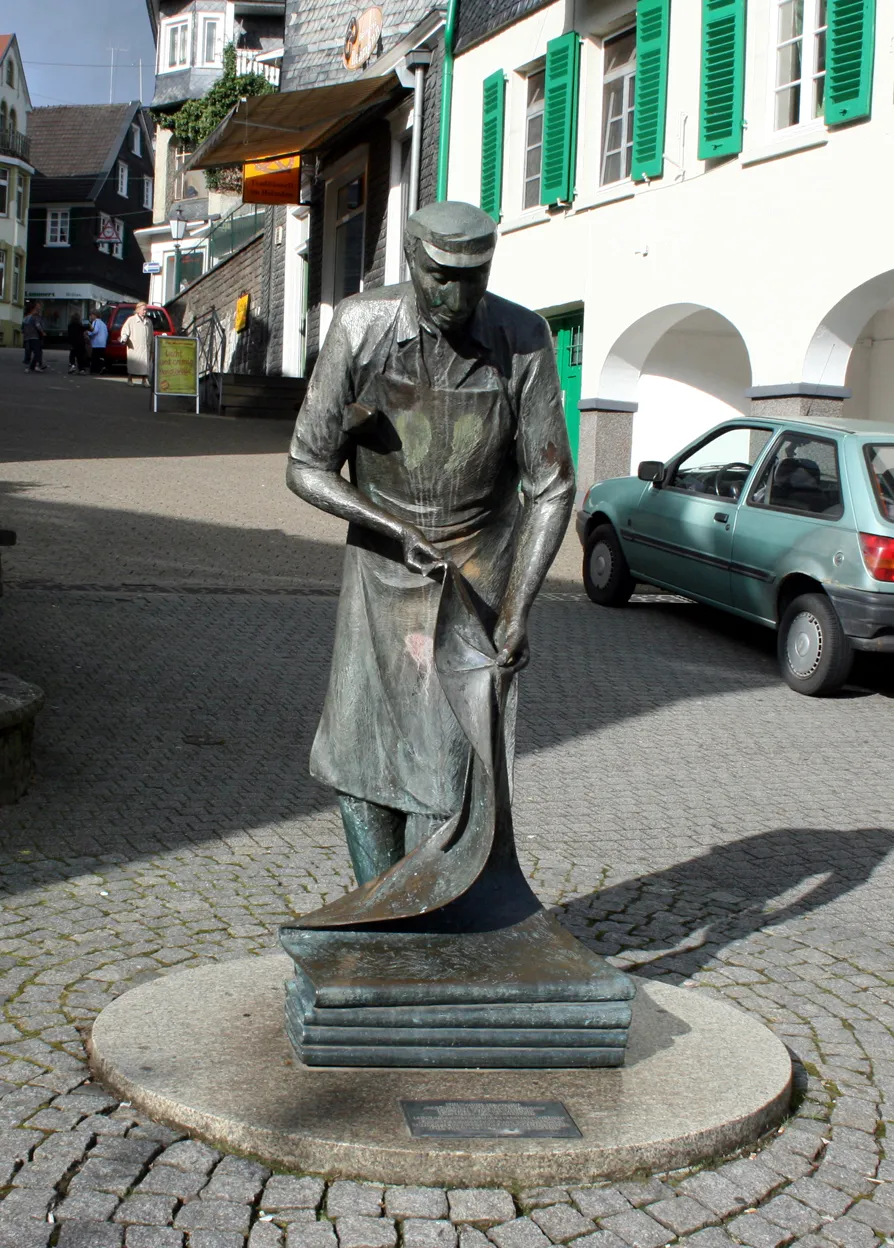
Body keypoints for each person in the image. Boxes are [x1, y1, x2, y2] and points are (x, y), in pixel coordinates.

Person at [286, 201, 574, 886]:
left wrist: (518, 609)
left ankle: (429, 914)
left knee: (448, 767)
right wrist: (393, 529)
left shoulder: (523, 340)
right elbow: (305, 463)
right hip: (382, 564)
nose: (456, 295)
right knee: (359, 754)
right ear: (412, 261)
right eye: (441, 276)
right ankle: (378, 910)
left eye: (472, 279)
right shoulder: (362, 326)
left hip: (477, 572)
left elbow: (554, 485)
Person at [119, 303, 154, 387]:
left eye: (146, 310)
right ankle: (130, 378)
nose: (145, 311)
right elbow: (125, 330)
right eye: (143, 309)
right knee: (133, 364)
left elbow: (151, 335)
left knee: (145, 364)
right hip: (134, 347)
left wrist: (152, 348)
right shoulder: (131, 320)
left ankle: (144, 380)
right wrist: (124, 338)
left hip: (145, 347)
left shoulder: (149, 321)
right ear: (138, 310)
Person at [22, 302, 47, 372]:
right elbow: (37, 325)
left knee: (29, 351)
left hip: (27, 337)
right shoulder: (35, 316)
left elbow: (22, 327)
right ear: (33, 309)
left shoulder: (26, 317)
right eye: (38, 307)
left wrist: (24, 333)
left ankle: (31, 365)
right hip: (34, 336)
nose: (39, 308)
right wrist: (42, 332)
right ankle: (34, 366)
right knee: (38, 352)